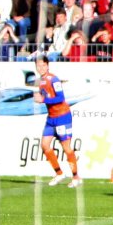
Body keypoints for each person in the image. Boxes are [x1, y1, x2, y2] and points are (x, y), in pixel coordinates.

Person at [33, 55, 81, 188]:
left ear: (48, 66)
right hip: (51, 117)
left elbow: (61, 98)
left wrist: (43, 100)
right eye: (38, 65)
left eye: (43, 65)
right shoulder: (40, 81)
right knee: (44, 145)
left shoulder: (54, 79)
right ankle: (59, 173)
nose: (41, 68)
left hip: (62, 116)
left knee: (66, 147)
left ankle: (76, 176)